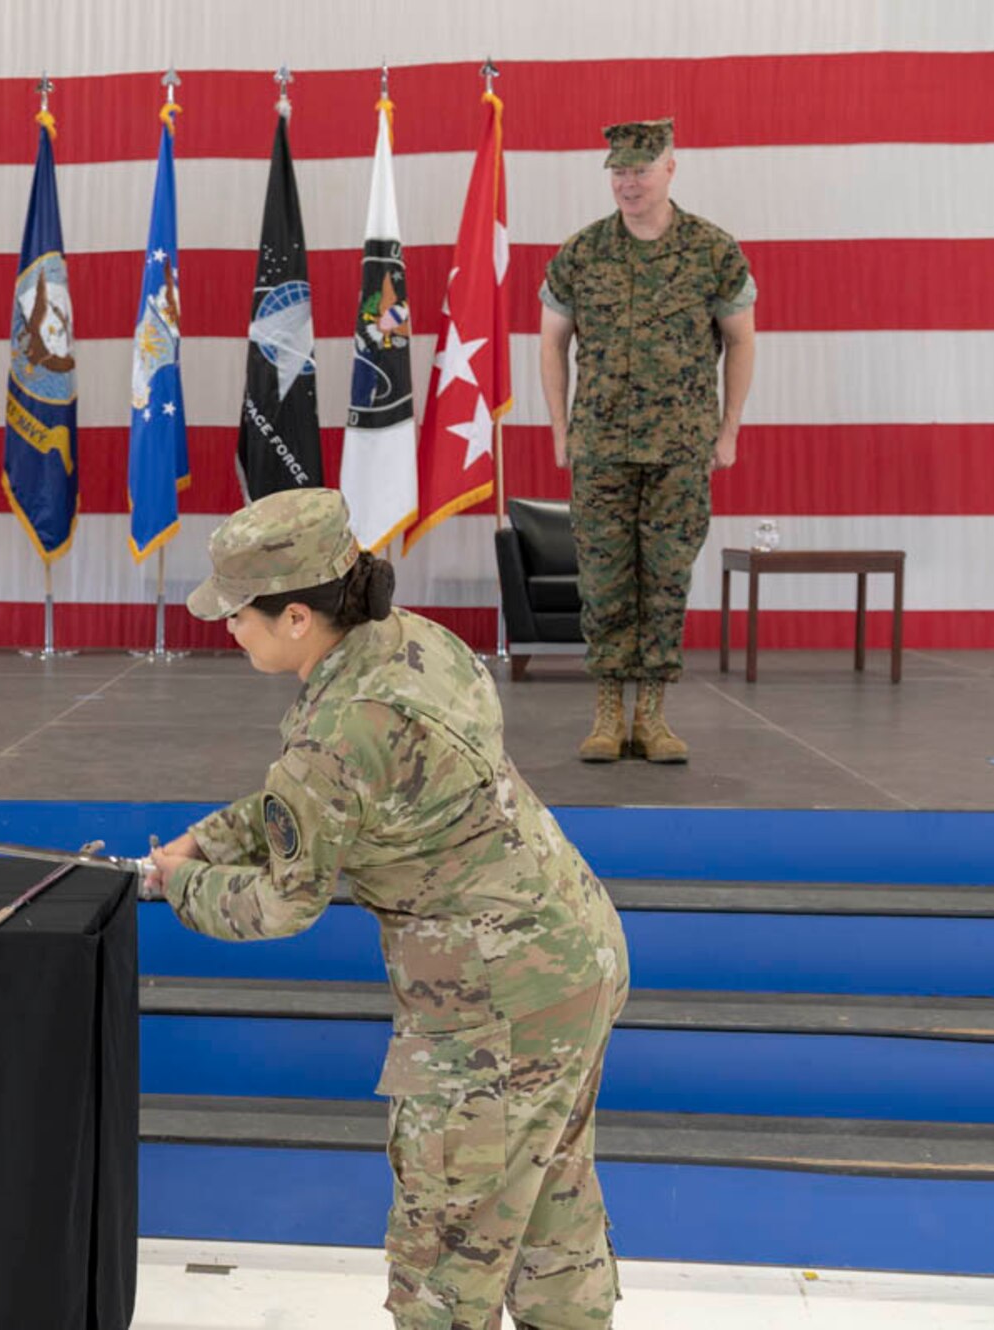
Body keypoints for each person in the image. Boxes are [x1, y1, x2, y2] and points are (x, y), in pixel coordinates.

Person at [144, 488, 629, 1330]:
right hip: (574, 957)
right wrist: (211, 838)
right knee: (553, 1213)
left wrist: (177, 884)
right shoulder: (411, 644)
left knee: (444, 1257)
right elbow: (326, 803)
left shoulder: (337, 730)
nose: (227, 628)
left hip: (490, 1010)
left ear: (297, 617)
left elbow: (280, 903)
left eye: (238, 614)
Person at [537, 117, 757, 763]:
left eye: (640, 169)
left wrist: (729, 430)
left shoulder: (713, 251)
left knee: (665, 581)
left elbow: (740, 340)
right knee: (603, 580)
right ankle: (608, 714)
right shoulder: (581, 253)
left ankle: (653, 718)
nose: (627, 182)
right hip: (602, 444)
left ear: (670, 167)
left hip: (680, 448)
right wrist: (560, 427)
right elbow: (552, 341)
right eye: (618, 171)